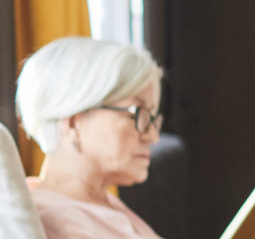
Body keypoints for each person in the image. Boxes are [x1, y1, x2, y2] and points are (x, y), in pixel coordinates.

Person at [15, 37, 165, 238]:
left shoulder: (97, 202)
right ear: (72, 124)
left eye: (151, 118)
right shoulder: (56, 222)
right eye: (137, 113)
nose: (153, 136)